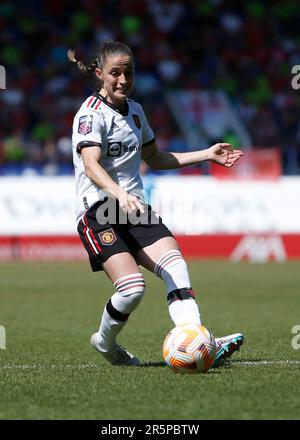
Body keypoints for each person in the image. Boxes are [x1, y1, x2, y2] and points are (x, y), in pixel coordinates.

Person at [68, 41, 244, 367]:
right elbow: (91, 165)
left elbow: (156, 158)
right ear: (99, 74)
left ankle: (196, 337)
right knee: (132, 289)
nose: (123, 80)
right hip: (100, 212)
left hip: (134, 209)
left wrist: (206, 154)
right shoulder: (90, 115)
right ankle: (105, 343)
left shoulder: (135, 112)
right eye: (115, 73)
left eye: (129, 72)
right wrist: (119, 195)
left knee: (175, 264)